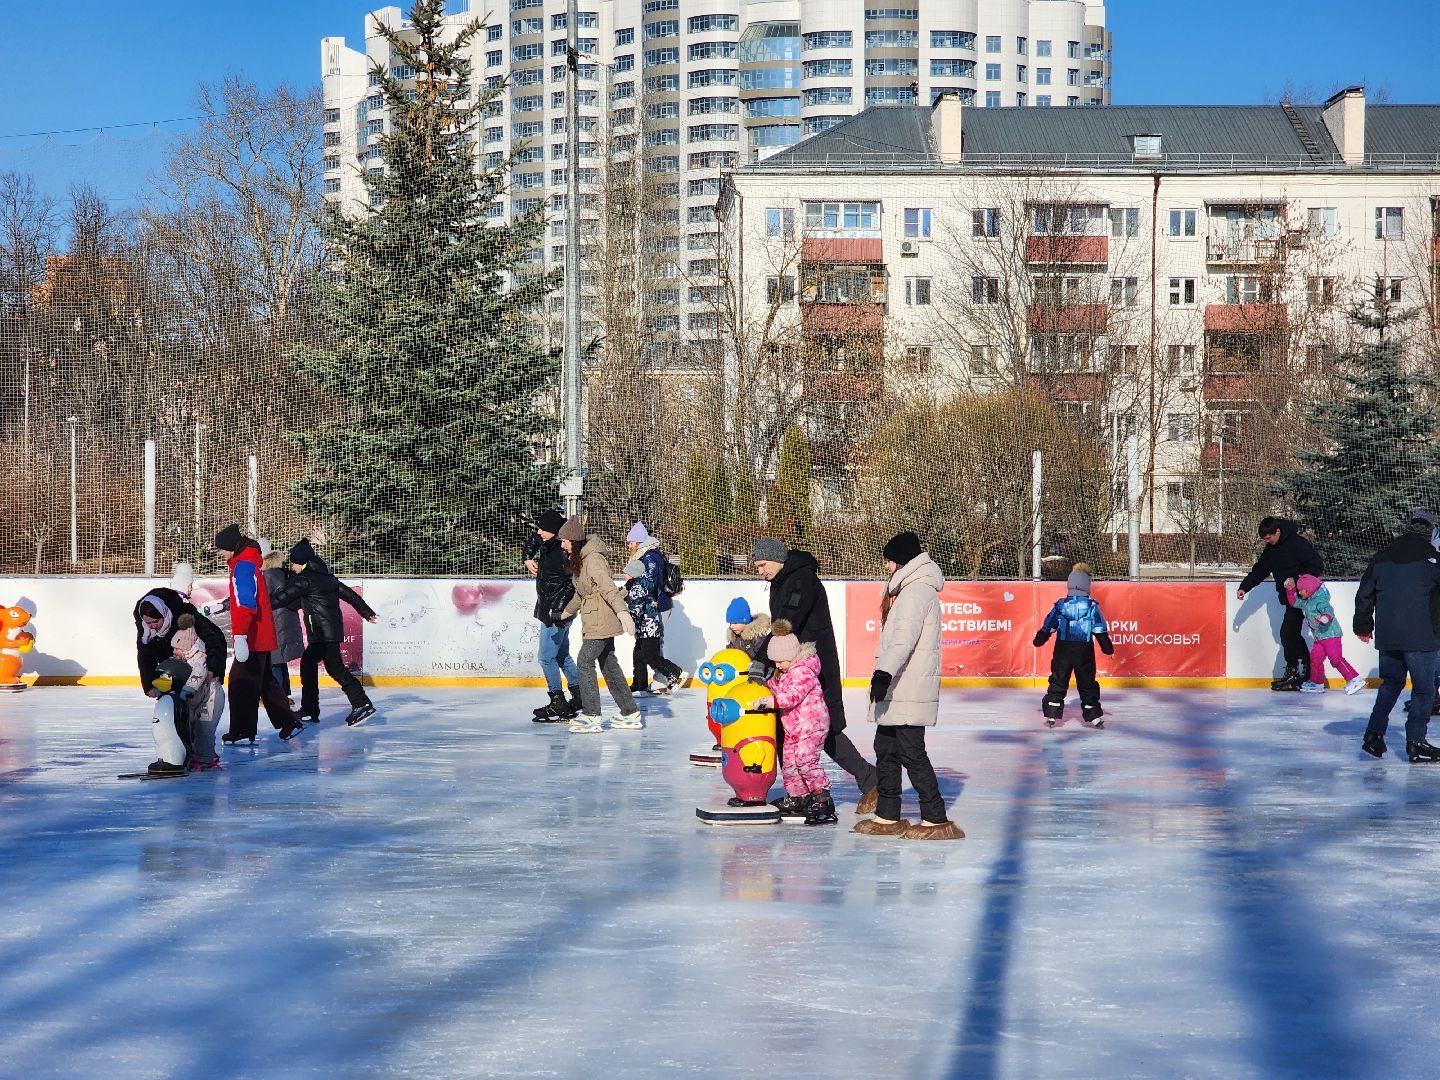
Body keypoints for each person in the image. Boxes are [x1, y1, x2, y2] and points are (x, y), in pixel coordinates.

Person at [751, 537, 879, 814]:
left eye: (762, 564)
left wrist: (761, 661)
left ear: (777, 558)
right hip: (789, 662)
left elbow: (786, 623)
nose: (759, 571)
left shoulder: (802, 580)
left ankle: (871, 780)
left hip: (813, 666)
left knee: (825, 727)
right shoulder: (781, 580)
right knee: (787, 728)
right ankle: (799, 794)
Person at [854, 532, 964, 840]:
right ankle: (888, 814)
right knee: (885, 748)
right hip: (899, 689)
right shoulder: (910, 592)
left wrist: (883, 674)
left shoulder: (916, 593)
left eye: (889, 561)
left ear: (902, 561)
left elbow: (904, 640)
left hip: (908, 688)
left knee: (910, 751)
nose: (887, 567)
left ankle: (935, 816)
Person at [1353, 509, 1440, 762]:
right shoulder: (1432, 560)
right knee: (1424, 690)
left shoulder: (1382, 557)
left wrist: (1362, 625)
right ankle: (1416, 743)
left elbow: (1364, 593)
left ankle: (1373, 734)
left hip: (1389, 635)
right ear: (1430, 531)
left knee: (1391, 684)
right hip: (1422, 635)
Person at [269, 539, 379, 727]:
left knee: (333, 669)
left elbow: (283, 596)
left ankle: (361, 704)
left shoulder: (305, 579)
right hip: (328, 633)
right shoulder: (328, 578)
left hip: (322, 634)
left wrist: (263, 604)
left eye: (294, 563)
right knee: (312, 666)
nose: (293, 567)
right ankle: (311, 710)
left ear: (302, 563)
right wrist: (366, 612)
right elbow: (351, 595)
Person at [213, 524, 303, 744]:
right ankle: (289, 722)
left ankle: (243, 731)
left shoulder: (243, 566)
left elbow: (245, 603)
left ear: (232, 547)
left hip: (252, 636)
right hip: (260, 634)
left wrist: (241, 636)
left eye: (221, 549)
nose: (220, 554)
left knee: (240, 682)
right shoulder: (248, 562)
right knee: (265, 682)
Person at [558, 515, 642, 733]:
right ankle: (630, 712)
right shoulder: (582, 560)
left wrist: (623, 613)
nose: (562, 544)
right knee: (609, 665)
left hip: (602, 620)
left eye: (565, 540)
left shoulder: (593, 559)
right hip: (594, 619)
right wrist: (565, 613)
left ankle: (592, 714)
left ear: (573, 541)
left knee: (584, 661)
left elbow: (607, 588)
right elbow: (582, 593)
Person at [1236, 516, 1323, 691]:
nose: (1267, 542)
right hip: (1288, 597)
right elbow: (1260, 569)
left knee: (1287, 633)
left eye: (1269, 538)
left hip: (1303, 598)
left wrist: (1298, 579)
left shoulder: (1298, 543)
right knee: (1289, 634)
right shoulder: (1271, 549)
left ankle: (1296, 669)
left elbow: (1316, 565)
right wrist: (1245, 587)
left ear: (1277, 531)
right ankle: (1304, 666)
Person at [766, 620, 836, 826]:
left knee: (806, 760)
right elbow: (774, 687)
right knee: (789, 762)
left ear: (793, 656)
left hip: (812, 725)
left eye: (781, 661)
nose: (777, 665)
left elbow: (792, 696)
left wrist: (771, 701)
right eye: (774, 662)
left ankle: (823, 799)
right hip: (793, 727)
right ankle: (799, 797)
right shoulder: (784, 672)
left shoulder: (803, 671)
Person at [1033, 562, 1114, 728]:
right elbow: (1099, 629)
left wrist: (1040, 638)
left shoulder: (1061, 605)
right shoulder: (1092, 607)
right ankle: (1093, 715)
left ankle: (1052, 713)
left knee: (1058, 680)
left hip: (1063, 649)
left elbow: (1049, 624)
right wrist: (1107, 648)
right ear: (1087, 586)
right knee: (1087, 682)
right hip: (1083, 650)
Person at [523, 509, 582, 723]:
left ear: (556, 533)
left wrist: (555, 610)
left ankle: (558, 701)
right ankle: (579, 695)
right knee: (561, 656)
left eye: (543, 529)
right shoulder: (549, 542)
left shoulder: (562, 551)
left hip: (556, 613)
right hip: (552, 609)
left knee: (546, 658)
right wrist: (527, 558)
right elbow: (534, 538)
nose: (538, 533)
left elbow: (571, 584)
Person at [626, 522, 688, 693]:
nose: (629, 546)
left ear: (638, 542)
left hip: (654, 608)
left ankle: (669, 675)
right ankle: (641, 683)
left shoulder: (649, 558)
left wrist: (639, 601)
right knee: (643, 648)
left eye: (631, 542)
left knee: (650, 649)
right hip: (650, 607)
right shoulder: (648, 555)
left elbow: (648, 584)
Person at [1286, 574, 1366, 696]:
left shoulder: (1320, 600)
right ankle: (1317, 683)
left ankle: (1354, 679)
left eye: (1301, 590)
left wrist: (1325, 618)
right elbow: (1294, 602)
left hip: (1331, 635)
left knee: (1336, 659)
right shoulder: (1307, 602)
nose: (1299, 592)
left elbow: (1328, 610)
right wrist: (1290, 590)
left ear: (1309, 589)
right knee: (1315, 659)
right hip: (1319, 637)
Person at [171, 614, 224, 770]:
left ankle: (204, 758)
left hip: (211, 697)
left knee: (204, 729)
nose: (174, 652)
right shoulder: (185, 658)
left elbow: (199, 673)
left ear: (187, 647)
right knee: (190, 726)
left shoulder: (199, 658)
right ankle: (193, 755)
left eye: (177, 648)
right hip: (197, 698)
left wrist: (188, 689)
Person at [260, 540, 304, 706]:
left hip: (275, 623)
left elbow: (262, 600)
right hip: (287, 621)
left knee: (274, 662)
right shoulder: (284, 573)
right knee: (280, 661)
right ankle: (284, 695)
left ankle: (278, 698)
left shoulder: (268, 575)